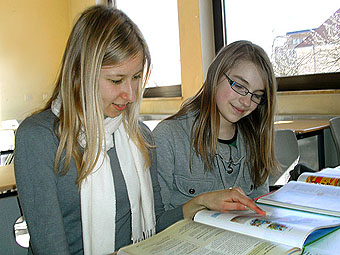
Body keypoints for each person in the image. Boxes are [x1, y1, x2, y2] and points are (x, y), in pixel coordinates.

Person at [14, 6, 264, 254]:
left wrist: (199, 203)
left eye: (136, 78)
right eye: (116, 80)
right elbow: (49, 246)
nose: (131, 95)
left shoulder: (139, 136)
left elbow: (154, 228)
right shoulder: (38, 138)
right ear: (80, 73)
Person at [152, 40, 279, 211]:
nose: (246, 101)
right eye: (240, 86)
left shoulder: (254, 138)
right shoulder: (168, 137)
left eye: (256, 95)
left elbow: (259, 209)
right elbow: (156, 222)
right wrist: (199, 203)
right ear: (216, 75)